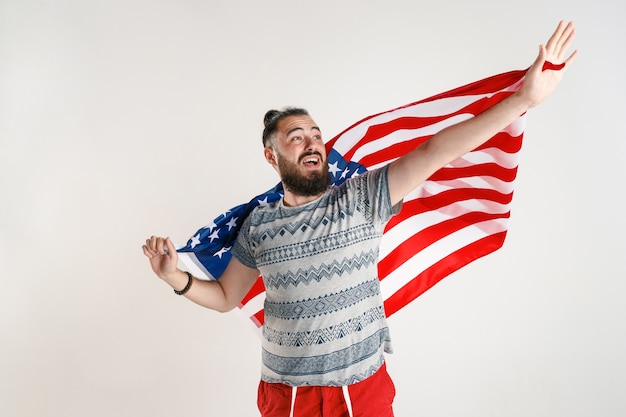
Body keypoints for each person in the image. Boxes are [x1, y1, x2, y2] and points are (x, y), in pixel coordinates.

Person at [142, 21, 577, 417]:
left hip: (362, 393)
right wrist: (173, 278)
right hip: (286, 399)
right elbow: (224, 295)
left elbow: (435, 150)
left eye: (316, 135)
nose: (312, 143)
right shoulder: (258, 225)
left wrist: (523, 99)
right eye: (297, 138)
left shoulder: (363, 198)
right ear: (271, 156)